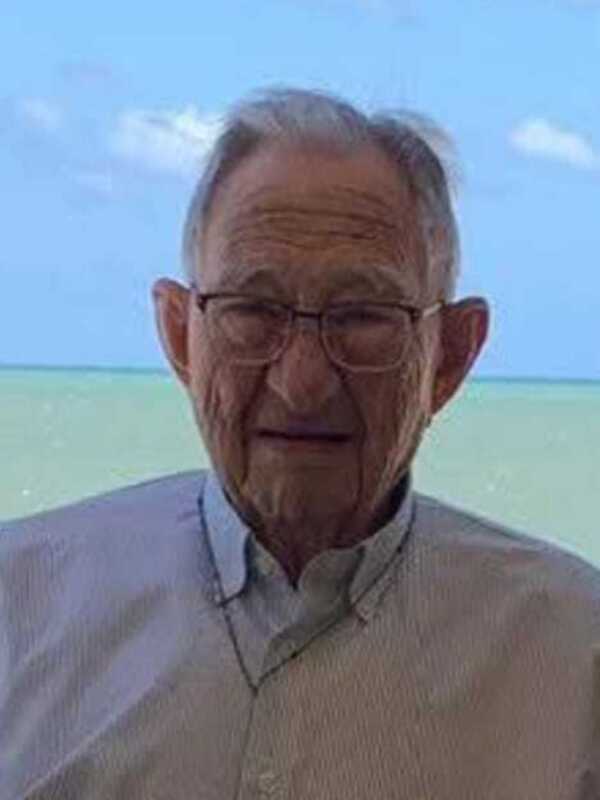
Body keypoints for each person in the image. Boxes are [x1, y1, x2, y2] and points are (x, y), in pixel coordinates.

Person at [1, 87, 598, 799]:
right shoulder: (19, 607)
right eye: (253, 309)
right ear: (180, 335)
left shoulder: (574, 661)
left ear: (450, 357)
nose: (303, 381)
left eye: (363, 317)